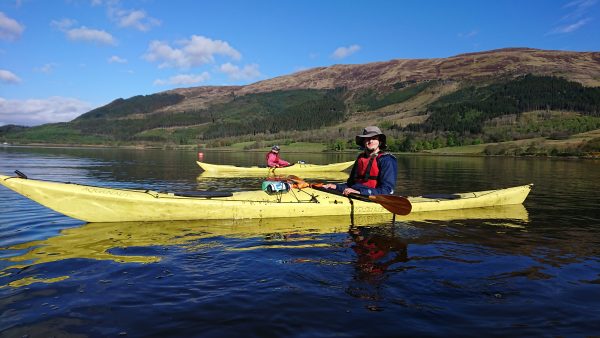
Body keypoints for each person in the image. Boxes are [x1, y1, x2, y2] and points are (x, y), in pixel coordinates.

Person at [322, 126, 397, 196]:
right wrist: (335, 186)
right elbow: (351, 184)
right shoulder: (360, 158)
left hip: (373, 198)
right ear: (364, 141)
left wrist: (360, 192)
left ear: (379, 141)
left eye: (374, 138)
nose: (371, 141)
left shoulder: (387, 160)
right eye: (367, 138)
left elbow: (387, 190)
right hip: (355, 194)